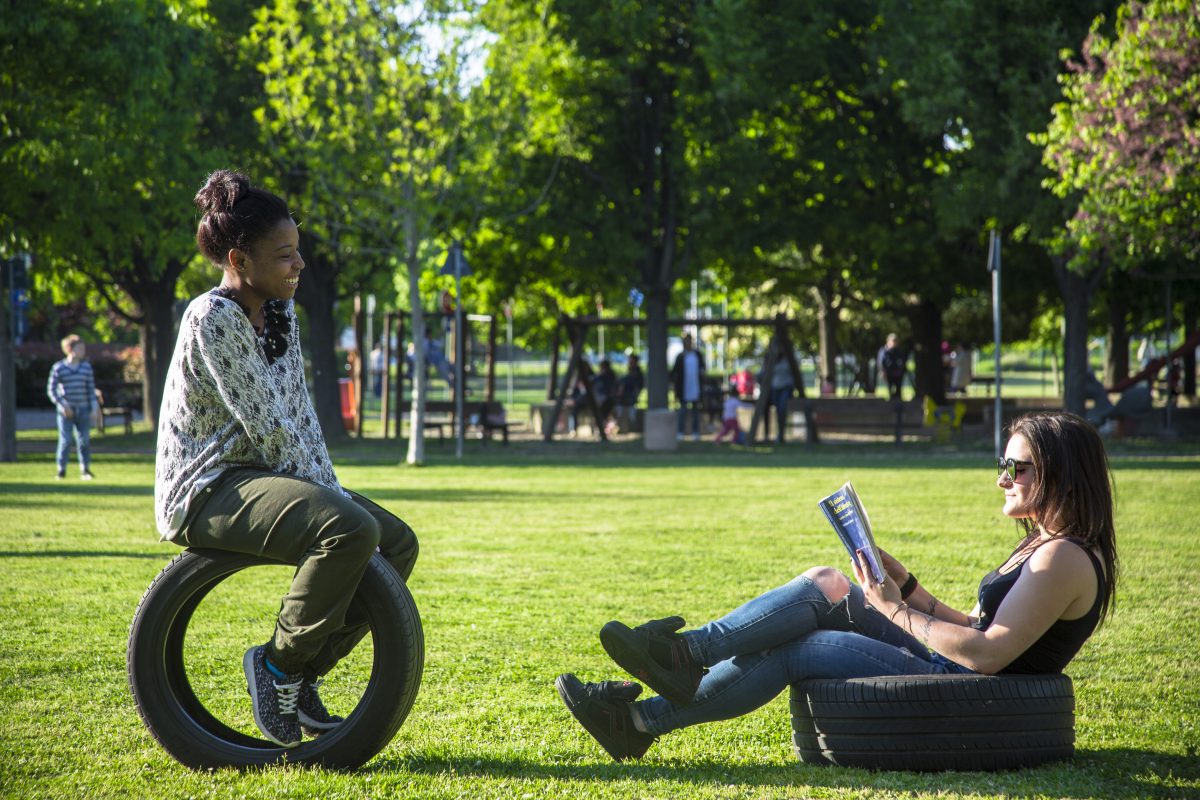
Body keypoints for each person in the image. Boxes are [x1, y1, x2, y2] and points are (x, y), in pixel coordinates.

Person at [555, 411, 1118, 762]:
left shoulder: (1063, 559)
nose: (1002, 477)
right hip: (950, 661)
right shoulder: (1044, 544)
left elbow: (988, 654)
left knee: (798, 650)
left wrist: (893, 612)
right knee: (825, 583)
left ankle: (638, 717)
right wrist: (909, 586)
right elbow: (973, 624)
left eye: (1016, 468)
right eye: (1004, 463)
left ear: (1061, 475)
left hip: (960, 683)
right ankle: (683, 654)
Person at [154, 170, 418, 749]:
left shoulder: (279, 314)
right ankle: (276, 669)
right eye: (284, 256)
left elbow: (298, 415)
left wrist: (331, 490)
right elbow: (267, 426)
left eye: (298, 252)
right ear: (238, 258)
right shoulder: (212, 317)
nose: (299, 265)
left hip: (262, 476)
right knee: (348, 528)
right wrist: (334, 507)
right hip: (207, 487)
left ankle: (299, 673)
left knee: (394, 542)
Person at [46, 334, 96, 480]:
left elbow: (90, 389)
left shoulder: (86, 368)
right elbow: (51, 390)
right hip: (66, 411)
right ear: (70, 349)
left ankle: (85, 470)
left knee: (84, 440)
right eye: (80, 348)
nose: (83, 351)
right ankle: (61, 470)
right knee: (66, 440)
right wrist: (63, 404)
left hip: (83, 408)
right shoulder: (59, 368)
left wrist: (94, 408)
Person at [671, 334, 706, 441]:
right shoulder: (680, 356)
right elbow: (674, 372)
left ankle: (696, 432)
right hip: (683, 388)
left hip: (696, 387)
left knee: (695, 411)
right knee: (682, 411)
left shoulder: (697, 355)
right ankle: (680, 432)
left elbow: (703, 369)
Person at [761, 354, 796, 444]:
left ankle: (780, 434)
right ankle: (766, 435)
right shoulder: (770, 358)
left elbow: (795, 373)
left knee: (781, 409)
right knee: (765, 407)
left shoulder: (787, 359)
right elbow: (762, 374)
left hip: (785, 387)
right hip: (773, 388)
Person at [613, 354, 645, 431]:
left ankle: (631, 428)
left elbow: (635, 385)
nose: (629, 362)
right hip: (625, 397)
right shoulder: (631, 371)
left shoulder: (637, 372)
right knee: (619, 410)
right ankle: (621, 428)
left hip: (630, 397)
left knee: (630, 413)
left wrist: (622, 387)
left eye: (631, 360)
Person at [877, 333, 906, 401]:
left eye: (895, 341)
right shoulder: (884, 351)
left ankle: (899, 406)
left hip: (897, 374)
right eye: (893, 341)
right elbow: (881, 362)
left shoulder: (898, 351)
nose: (894, 343)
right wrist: (883, 372)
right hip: (888, 373)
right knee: (890, 390)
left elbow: (902, 362)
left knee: (898, 391)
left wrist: (901, 370)